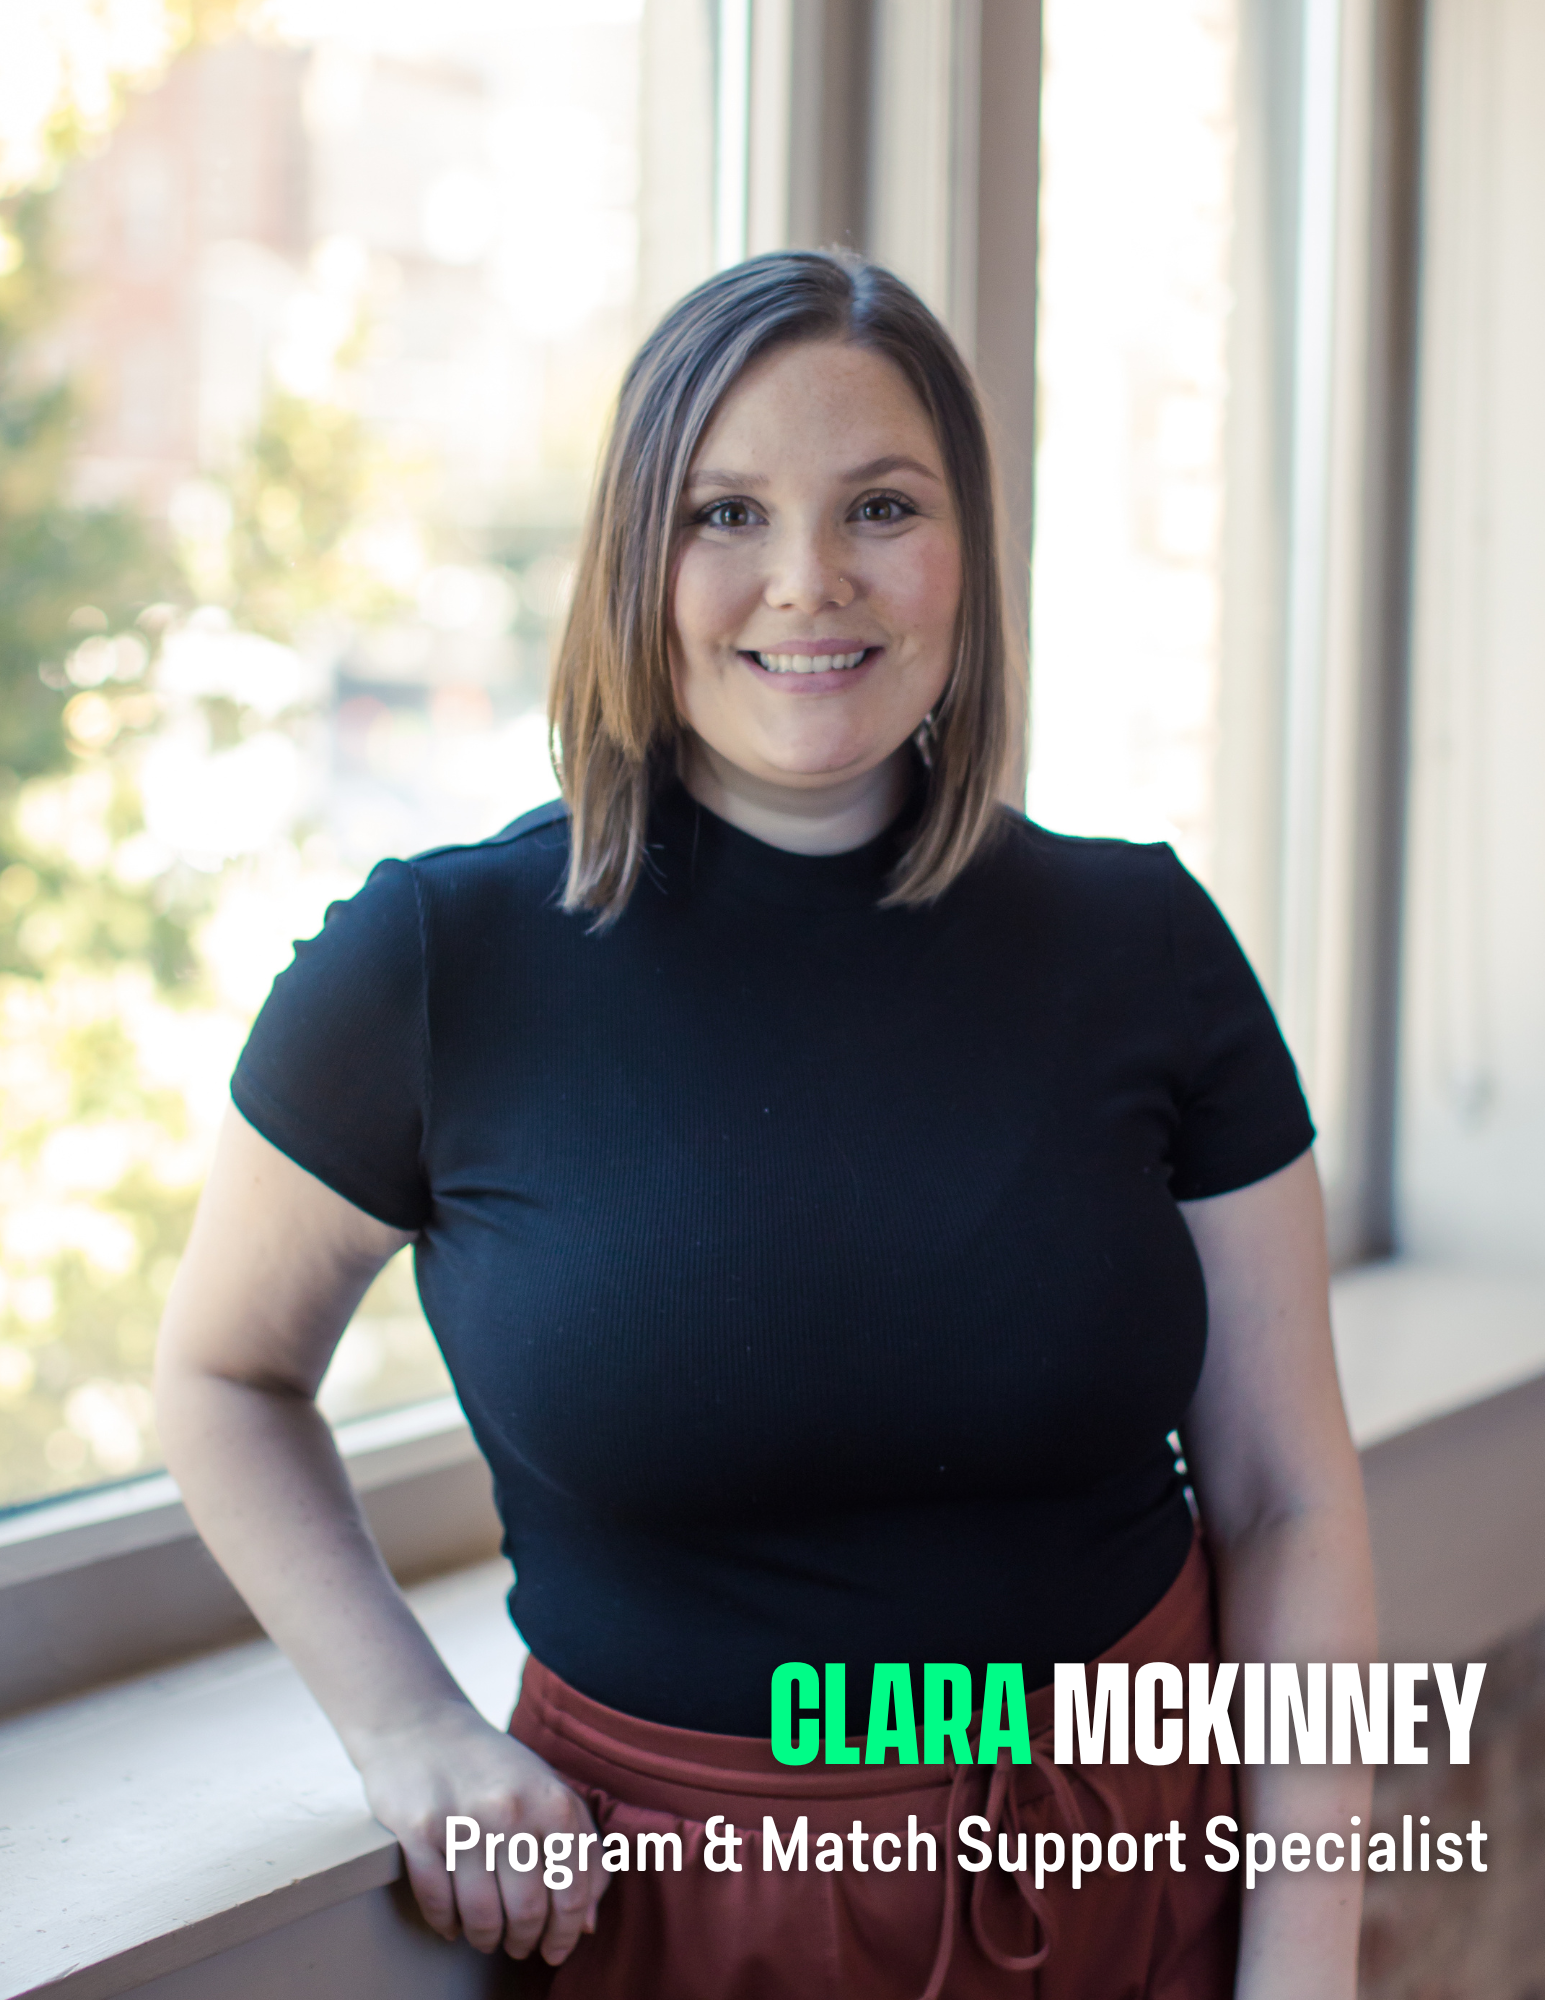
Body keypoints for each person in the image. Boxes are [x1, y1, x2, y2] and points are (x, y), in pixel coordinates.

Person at [155, 251, 1376, 1999]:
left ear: (968, 549)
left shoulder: (1147, 947)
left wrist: (1305, 1957)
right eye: (726, 511)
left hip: (1138, 1885)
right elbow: (221, 1378)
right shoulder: (437, 964)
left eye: (881, 504)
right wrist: (407, 1732)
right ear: (631, 561)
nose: (809, 581)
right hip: (681, 1920)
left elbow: (1280, 1499)